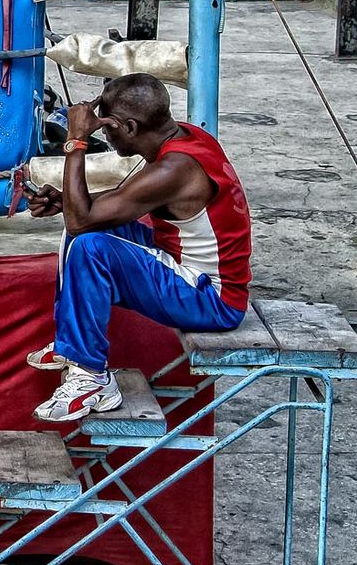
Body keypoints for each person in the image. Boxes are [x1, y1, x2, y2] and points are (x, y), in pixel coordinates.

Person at [25, 73, 252, 422]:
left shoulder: (176, 168)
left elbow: (81, 221)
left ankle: (91, 377)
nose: (103, 133)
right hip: (182, 266)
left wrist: (76, 141)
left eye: (107, 127)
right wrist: (65, 201)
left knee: (90, 244)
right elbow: (108, 206)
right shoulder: (185, 139)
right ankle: (73, 342)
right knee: (84, 231)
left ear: (129, 127)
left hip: (212, 300)